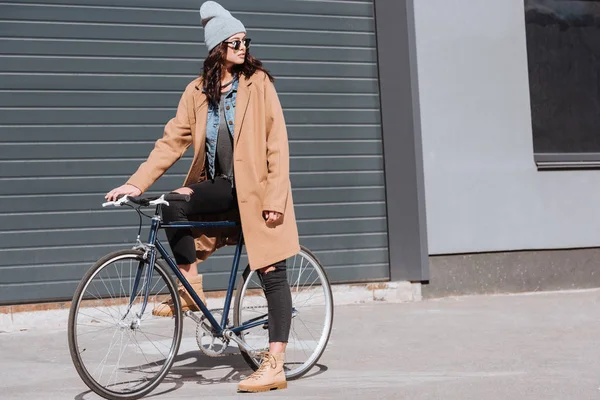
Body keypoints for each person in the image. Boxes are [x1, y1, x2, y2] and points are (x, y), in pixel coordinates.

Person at [105, 1, 300, 393]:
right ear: (217, 49)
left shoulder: (258, 82)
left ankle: (274, 364)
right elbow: (170, 143)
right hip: (223, 186)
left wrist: (275, 198)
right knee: (173, 201)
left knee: (271, 272)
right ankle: (191, 287)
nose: (242, 48)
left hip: (259, 191)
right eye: (234, 42)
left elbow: (276, 142)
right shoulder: (196, 92)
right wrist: (136, 184)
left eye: (245, 40)